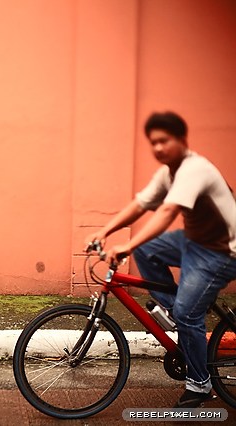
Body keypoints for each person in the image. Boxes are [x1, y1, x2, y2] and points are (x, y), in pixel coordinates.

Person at [85, 111, 236, 408]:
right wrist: (104, 231)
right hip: (195, 243)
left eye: (163, 141)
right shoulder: (169, 172)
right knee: (148, 249)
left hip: (223, 251)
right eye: (153, 142)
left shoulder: (196, 170)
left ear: (181, 140)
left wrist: (126, 245)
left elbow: (166, 213)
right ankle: (176, 310)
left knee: (187, 314)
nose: (157, 148)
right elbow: (141, 204)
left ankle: (200, 383)